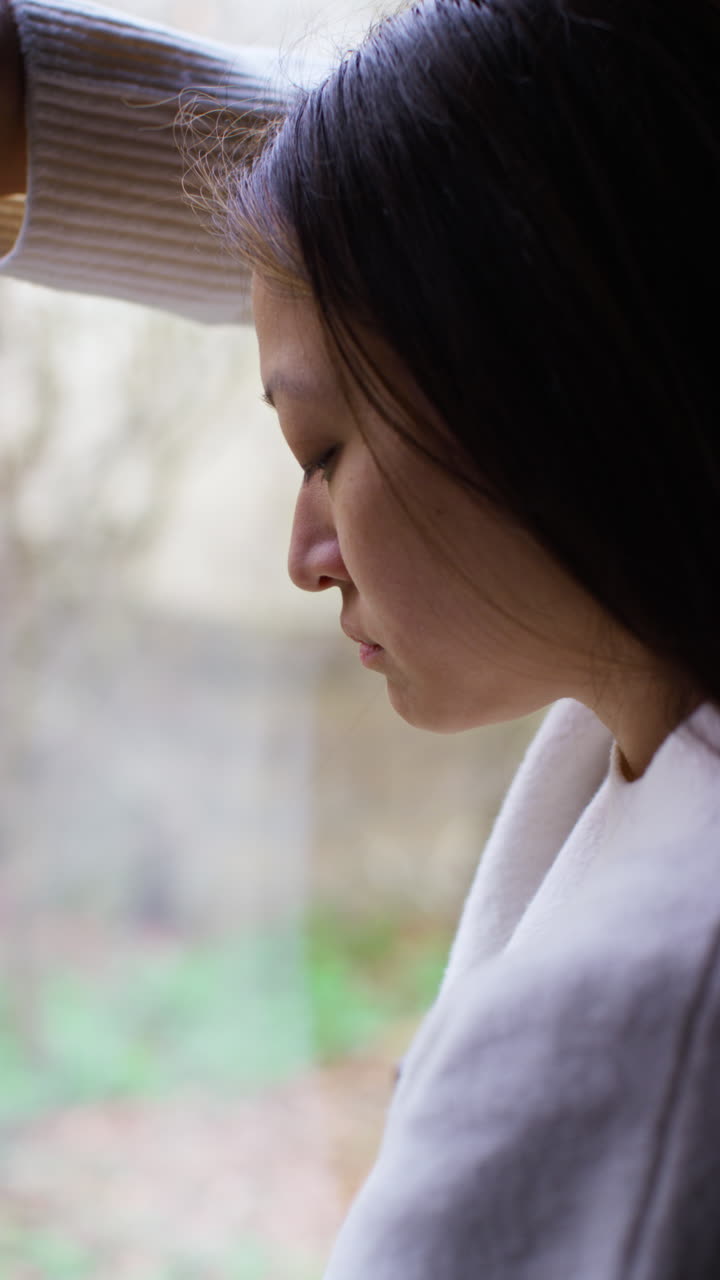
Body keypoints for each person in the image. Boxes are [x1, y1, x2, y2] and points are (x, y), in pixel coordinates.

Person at [3, 0, 720, 1276]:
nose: (302, 556)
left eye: (323, 452)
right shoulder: (633, 742)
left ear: (540, 371)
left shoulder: (657, 1013)